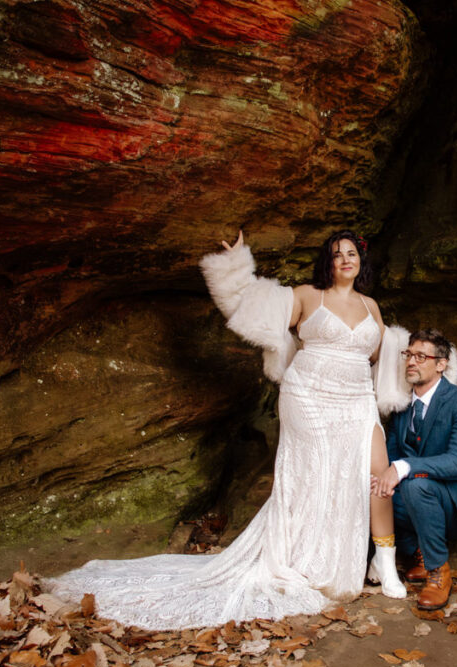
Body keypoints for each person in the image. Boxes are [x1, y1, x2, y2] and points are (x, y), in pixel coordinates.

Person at [46, 229, 407, 630]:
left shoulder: (370, 305)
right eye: (337, 253)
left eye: (352, 253)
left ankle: (383, 561)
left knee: (377, 471)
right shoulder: (307, 295)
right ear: (328, 262)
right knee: (314, 475)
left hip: (356, 399)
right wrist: (237, 266)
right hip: (309, 397)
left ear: (361, 261)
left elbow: (382, 355)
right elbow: (257, 310)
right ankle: (303, 556)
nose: (345, 259)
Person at [373, 329, 457, 610]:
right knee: (375, 485)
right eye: (409, 354)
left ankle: (438, 571)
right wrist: (383, 475)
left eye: (421, 356)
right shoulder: (401, 406)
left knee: (414, 483)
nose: (412, 361)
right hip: (415, 501)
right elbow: (391, 456)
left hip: (452, 502)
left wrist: (403, 467)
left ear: (441, 364)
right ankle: (417, 552)